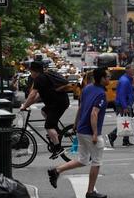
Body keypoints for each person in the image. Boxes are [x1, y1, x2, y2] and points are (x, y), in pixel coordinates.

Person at [47, 68, 109, 198]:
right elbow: (94, 113)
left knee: (83, 159)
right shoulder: (101, 94)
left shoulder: (87, 88)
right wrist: (95, 134)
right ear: (102, 78)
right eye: (107, 77)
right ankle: (90, 192)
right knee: (97, 162)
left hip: (81, 129)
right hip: (90, 132)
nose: (109, 79)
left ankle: (56, 170)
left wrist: (76, 125)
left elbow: (81, 108)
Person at [20, 61, 69, 159]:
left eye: (31, 71)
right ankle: (57, 133)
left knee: (48, 125)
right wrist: (27, 105)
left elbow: (33, 94)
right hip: (56, 103)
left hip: (58, 104)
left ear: (35, 71)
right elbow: (38, 97)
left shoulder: (39, 78)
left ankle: (58, 148)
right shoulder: (43, 77)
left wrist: (25, 106)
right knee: (44, 111)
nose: (30, 74)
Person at [107, 64, 134, 147]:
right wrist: (125, 106)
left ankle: (125, 140)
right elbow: (122, 95)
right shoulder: (124, 81)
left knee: (126, 121)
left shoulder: (127, 80)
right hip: (123, 105)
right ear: (128, 70)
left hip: (125, 104)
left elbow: (130, 93)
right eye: (133, 69)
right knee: (127, 122)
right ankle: (112, 135)